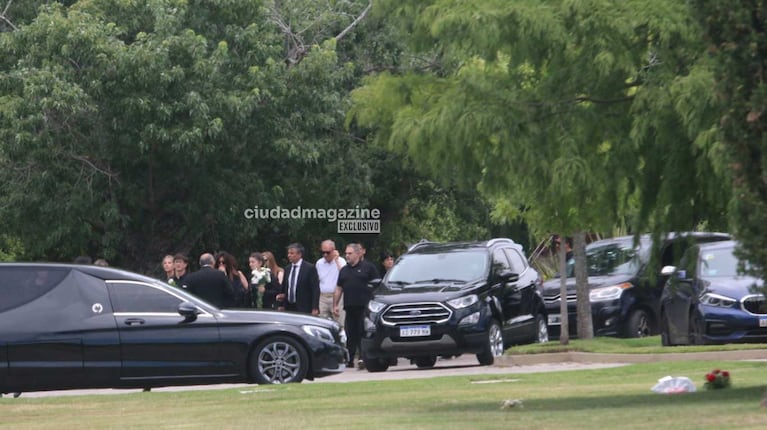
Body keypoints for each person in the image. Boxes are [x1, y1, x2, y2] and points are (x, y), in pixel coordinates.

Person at [334, 243, 379, 369]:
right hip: (349, 306)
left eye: (350, 253)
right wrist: (335, 305)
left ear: (358, 254)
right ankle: (349, 359)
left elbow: (377, 284)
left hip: (364, 307)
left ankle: (363, 357)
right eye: (346, 254)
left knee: (362, 332)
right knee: (350, 333)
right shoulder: (344, 270)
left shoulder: (368, 268)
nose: (347, 256)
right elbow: (339, 288)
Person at [276, 243, 320, 315]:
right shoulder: (288, 268)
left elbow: (315, 289)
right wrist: (281, 304)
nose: (289, 255)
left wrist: (315, 307)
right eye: (288, 253)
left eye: (292, 253)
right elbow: (284, 287)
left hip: (304, 306)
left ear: (299, 254)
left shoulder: (309, 268)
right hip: (289, 306)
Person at [316, 240, 346, 326]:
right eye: (323, 252)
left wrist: (336, 261)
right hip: (323, 297)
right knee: (322, 323)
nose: (325, 255)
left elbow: (344, 276)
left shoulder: (341, 261)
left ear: (334, 251)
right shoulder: (319, 263)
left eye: (328, 252)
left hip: (337, 297)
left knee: (340, 323)